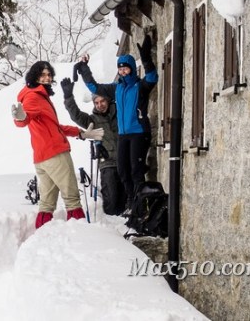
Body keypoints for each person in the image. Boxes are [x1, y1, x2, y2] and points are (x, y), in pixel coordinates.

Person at [12, 61, 103, 229]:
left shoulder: (38, 96)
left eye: (49, 75)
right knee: (72, 198)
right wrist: (20, 118)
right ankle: (81, 234)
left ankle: (42, 235)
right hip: (55, 155)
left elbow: (55, 127)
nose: (47, 78)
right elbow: (25, 118)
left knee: (46, 203)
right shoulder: (34, 97)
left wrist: (81, 133)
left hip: (42, 158)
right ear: (34, 76)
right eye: (42, 75)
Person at [76, 35, 158, 210]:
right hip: (123, 135)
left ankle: (140, 207)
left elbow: (152, 77)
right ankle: (132, 203)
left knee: (136, 170)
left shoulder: (140, 86)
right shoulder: (117, 88)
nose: (122, 72)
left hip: (139, 133)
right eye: (120, 69)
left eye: (125, 68)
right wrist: (84, 70)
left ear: (132, 69)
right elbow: (95, 88)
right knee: (122, 170)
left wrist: (146, 60)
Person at [60, 77, 126, 216]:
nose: (100, 105)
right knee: (112, 199)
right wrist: (68, 97)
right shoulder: (92, 120)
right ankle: (110, 224)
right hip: (107, 164)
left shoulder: (120, 113)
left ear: (108, 100)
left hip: (126, 161)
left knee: (127, 198)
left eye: (102, 101)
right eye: (96, 102)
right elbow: (76, 115)